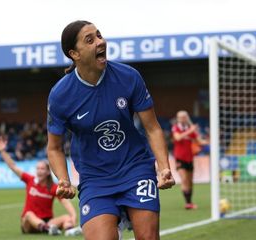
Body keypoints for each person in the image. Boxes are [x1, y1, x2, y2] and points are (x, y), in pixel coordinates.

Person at [46, 20, 175, 240]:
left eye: (99, 35)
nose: (100, 41)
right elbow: (54, 148)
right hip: (95, 179)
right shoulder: (60, 96)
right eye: (90, 40)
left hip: (135, 169)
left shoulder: (128, 77)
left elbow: (152, 128)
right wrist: (64, 180)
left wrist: (163, 168)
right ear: (74, 54)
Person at [0, 137, 80, 236]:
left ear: (48, 172)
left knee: (66, 218)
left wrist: (73, 217)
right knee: (28, 214)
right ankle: (48, 229)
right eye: (38, 168)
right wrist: (2, 151)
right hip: (29, 224)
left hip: (47, 221)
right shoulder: (30, 180)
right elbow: (13, 166)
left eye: (42, 169)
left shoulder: (53, 187)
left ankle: (69, 230)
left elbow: (66, 202)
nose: (39, 171)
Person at [171, 110, 207, 210]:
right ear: (178, 118)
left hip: (189, 158)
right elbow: (177, 138)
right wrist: (191, 130)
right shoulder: (176, 128)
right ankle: (188, 203)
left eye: (184, 117)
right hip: (179, 158)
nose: (182, 119)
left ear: (187, 118)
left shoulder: (190, 130)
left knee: (190, 181)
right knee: (184, 180)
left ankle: (190, 202)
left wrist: (209, 140)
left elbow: (200, 141)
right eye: (180, 117)